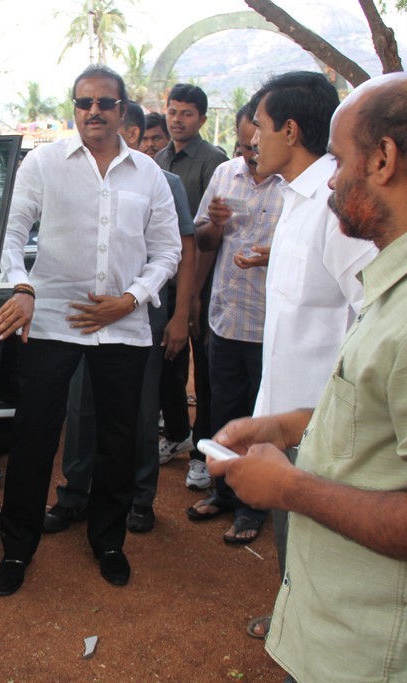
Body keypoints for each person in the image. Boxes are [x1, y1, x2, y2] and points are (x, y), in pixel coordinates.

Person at [208, 71, 407, 681]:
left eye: (338, 159)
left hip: (386, 657)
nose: (330, 179)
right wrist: (291, 424)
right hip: (355, 638)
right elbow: (389, 406)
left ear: (382, 159)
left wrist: (289, 488)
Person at [0, 65, 181, 597]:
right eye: (83, 102)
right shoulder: (44, 163)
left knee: (118, 441)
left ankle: (108, 541)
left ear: (122, 110)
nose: (93, 111)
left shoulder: (148, 175)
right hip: (52, 320)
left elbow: (168, 250)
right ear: (74, 108)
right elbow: (11, 230)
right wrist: (21, 287)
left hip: (122, 327)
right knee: (34, 437)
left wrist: (130, 299)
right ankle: (17, 546)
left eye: (104, 102)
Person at [242, 72, 375, 559]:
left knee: (312, 556)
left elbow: (373, 312)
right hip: (287, 421)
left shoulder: (335, 204)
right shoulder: (296, 198)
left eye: (260, 126)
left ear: (291, 131)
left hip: (322, 429)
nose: (253, 140)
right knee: (291, 552)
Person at [49, 101, 196, 535]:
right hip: (86, 315)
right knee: (82, 409)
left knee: (139, 411)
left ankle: (139, 498)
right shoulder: (77, 176)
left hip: (139, 317)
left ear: (127, 131)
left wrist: (180, 315)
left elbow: (181, 251)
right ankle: (75, 495)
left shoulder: (163, 181)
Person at [186, 102, 284, 546]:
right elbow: (204, 239)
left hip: (270, 326)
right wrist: (216, 225)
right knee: (223, 410)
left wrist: (272, 257)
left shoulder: (293, 186)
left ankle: (253, 506)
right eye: (243, 147)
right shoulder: (225, 174)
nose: (250, 154)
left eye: (255, 145)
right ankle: (223, 492)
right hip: (227, 318)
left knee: (260, 420)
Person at [154, 83, 229, 491]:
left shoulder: (213, 161)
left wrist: (195, 295)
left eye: (187, 113)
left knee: (205, 374)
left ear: (202, 119)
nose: (177, 119)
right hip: (166, 283)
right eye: (173, 111)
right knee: (169, 364)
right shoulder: (160, 160)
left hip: (204, 283)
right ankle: (177, 433)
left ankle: (202, 454)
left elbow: (208, 237)